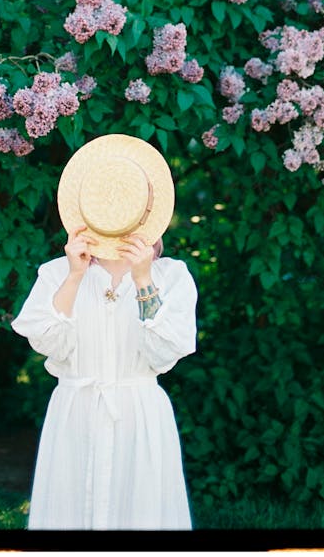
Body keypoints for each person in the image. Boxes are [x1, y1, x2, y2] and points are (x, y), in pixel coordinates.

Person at [11, 133, 198, 530]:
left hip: (139, 417)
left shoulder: (172, 275)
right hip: (75, 416)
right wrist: (76, 277)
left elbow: (164, 352)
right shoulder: (57, 273)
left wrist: (144, 279)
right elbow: (47, 340)